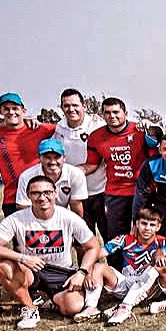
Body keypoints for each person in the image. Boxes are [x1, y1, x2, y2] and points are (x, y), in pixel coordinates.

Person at [0, 175, 101, 330]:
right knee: (4, 265)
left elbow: (93, 246)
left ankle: (52, 302)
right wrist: (23, 258)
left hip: (60, 271)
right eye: (36, 193)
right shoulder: (16, 219)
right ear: (28, 195)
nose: (42, 197)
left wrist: (82, 272)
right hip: (30, 270)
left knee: (73, 308)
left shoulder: (69, 217)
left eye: (47, 192)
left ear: (55, 193)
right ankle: (30, 309)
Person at [76, 206, 166, 325]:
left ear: (158, 227)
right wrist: (87, 271)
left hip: (149, 289)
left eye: (152, 225)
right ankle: (90, 308)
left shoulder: (164, 242)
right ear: (137, 223)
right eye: (144, 223)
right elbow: (98, 253)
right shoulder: (124, 239)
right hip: (126, 282)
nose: (147, 228)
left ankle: (124, 308)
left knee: (157, 267)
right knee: (98, 267)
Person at [82, 98, 159, 240]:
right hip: (115, 192)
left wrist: (151, 126)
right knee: (116, 237)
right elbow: (91, 165)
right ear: (102, 115)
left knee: (144, 234)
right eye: (107, 113)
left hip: (141, 191)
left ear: (126, 113)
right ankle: (115, 263)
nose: (112, 116)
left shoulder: (140, 131)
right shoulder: (95, 137)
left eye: (116, 112)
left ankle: (143, 262)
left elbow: (157, 159)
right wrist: (67, 172)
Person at [0, 92, 57, 214]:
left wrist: (94, 120)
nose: (11, 112)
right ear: (0, 111)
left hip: (42, 196)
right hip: (12, 199)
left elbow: (68, 129)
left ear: (23, 110)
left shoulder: (39, 129)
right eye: (6, 109)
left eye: (15, 108)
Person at [52, 89, 107, 235]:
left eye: (75, 105)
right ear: (61, 107)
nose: (71, 109)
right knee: (82, 240)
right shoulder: (59, 128)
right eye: (66, 106)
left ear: (84, 105)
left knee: (110, 239)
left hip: (101, 192)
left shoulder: (98, 125)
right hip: (76, 195)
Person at [15, 139, 87, 214]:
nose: (52, 162)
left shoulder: (76, 174)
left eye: (57, 157)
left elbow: (76, 206)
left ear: (64, 158)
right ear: (40, 157)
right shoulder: (27, 177)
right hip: (36, 215)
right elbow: (22, 207)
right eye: (47, 157)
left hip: (64, 215)